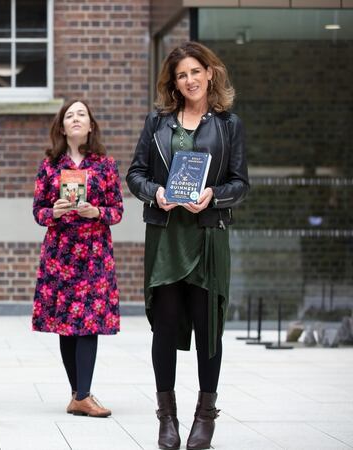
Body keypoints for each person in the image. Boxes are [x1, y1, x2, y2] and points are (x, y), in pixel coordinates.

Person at [126, 41, 249, 450]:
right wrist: (156, 193)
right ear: (174, 83)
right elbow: (136, 174)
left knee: (208, 330)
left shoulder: (228, 125)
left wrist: (214, 195)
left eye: (196, 71)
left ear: (209, 73)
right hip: (166, 238)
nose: (190, 79)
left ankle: (205, 417)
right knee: (164, 330)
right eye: (182, 75)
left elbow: (240, 183)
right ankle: (167, 419)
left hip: (208, 237)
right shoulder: (158, 123)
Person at [31, 99, 123, 418]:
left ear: (91, 124)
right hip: (60, 253)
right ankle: (77, 395)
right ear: (61, 126)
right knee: (67, 325)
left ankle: (83, 394)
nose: (75, 118)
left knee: (88, 323)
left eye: (81, 114)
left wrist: (96, 211)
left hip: (94, 252)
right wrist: (52, 211)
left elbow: (117, 211)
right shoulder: (50, 165)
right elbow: (38, 211)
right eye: (69, 115)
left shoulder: (105, 164)